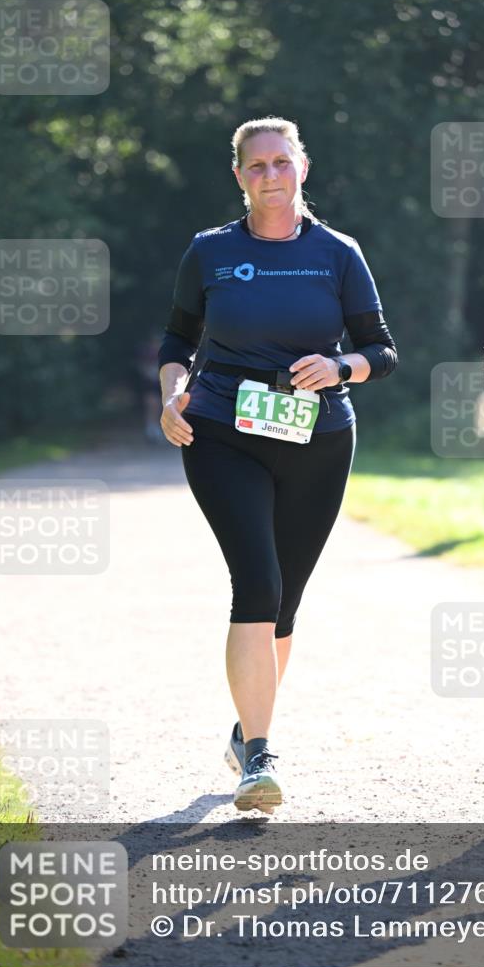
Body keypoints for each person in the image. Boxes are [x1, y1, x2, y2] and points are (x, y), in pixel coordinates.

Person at [158, 116, 397, 813]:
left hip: (318, 439)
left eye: (280, 162)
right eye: (255, 165)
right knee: (255, 583)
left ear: (302, 167)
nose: (269, 175)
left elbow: (381, 350)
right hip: (221, 433)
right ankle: (260, 757)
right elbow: (177, 336)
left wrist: (339, 365)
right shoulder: (209, 252)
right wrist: (173, 390)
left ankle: (245, 730)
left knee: (284, 601)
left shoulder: (338, 253)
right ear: (238, 176)